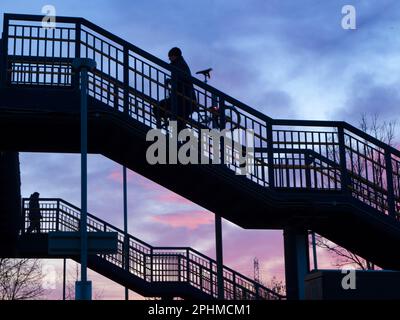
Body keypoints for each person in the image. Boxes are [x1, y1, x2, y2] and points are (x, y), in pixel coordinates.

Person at [155, 47, 197, 132]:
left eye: (170, 57)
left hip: (184, 101)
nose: (169, 59)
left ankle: (182, 140)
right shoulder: (178, 64)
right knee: (178, 123)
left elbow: (183, 78)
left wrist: (171, 81)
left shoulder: (180, 65)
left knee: (178, 123)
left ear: (175, 56)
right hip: (181, 100)